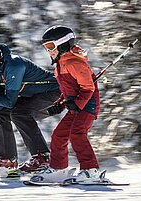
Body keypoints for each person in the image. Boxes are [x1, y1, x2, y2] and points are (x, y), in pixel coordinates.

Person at [0, 34, 61, 174]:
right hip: (33, 98)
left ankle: (42, 158)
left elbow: (9, 102)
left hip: (55, 94)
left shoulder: (14, 64)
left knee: (19, 113)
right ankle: (7, 160)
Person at [34, 25, 101, 183]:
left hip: (88, 106)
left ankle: (90, 170)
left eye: (50, 46)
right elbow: (68, 90)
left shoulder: (74, 63)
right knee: (59, 134)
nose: (48, 51)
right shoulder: (60, 66)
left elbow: (88, 88)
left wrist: (77, 104)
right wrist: (61, 103)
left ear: (63, 44)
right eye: (46, 47)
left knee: (77, 133)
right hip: (77, 106)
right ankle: (58, 169)